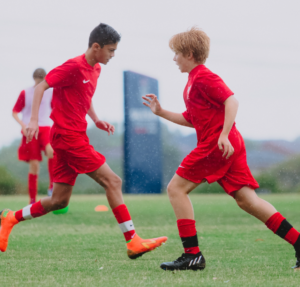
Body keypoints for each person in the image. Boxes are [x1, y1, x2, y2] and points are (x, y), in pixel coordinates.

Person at [0, 23, 167, 258]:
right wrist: (34, 121)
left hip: (72, 135)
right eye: (110, 50)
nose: (113, 55)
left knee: (58, 200)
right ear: (96, 46)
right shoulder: (73, 67)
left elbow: (84, 94)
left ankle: (11, 218)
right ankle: (132, 240)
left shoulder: (96, 69)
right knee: (113, 181)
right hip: (68, 137)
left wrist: (96, 119)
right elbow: (41, 87)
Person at [142, 27, 300, 271]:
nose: (174, 59)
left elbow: (232, 101)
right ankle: (299, 242)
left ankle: (192, 255)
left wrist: (223, 134)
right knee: (247, 200)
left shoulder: (204, 77)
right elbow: (191, 118)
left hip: (217, 144)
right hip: (227, 144)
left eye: (177, 54)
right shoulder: (193, 81)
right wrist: (161, 112)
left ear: (190, 54)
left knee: (175, 188)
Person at [12, 68, 54, 203]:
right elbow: (14, 112)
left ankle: (52, 186)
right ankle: (32, 200)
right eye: (38, 82)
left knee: (51, 151)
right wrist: (23, 126)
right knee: (34, 165)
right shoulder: (26, 93)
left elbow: (55, 108)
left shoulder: (50, 93)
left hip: (45, 128)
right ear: (34, 79)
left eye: (42, 82)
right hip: (30, 129)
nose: (40, 84)